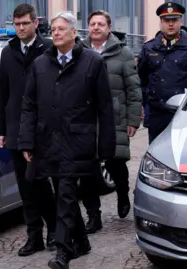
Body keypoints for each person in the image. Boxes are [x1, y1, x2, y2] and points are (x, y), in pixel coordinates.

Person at [18, 11, 116, 269]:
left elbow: (104, 107)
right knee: (62, 193)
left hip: (77, 142)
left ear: (74, 33)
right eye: (53, 28)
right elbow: (28, 105)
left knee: (66, 194)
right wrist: (26, 141)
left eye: (62, 28)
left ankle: (63, 250)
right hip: (46, 141)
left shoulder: (92, 62)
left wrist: (106, 147)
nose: (57, 33)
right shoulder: (40, 64)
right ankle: (81, 242)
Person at [0, 3, 57, 256]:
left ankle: (55, 229)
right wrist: (1, 129)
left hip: (43, 130)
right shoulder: (8, 52)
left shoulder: (49, 49)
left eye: (25, 23)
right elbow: (3, 93)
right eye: (16, 24)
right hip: (15, 130)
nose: (20, 28)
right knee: (25, 187)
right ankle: (34, 236)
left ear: (35, 23)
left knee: (41, 182)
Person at [80, 10, 142, 234]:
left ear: (108, 28)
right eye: (92, 24)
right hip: (86, 119)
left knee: (115, 163)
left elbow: (133, 89)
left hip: (114, 117)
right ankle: (93, 216)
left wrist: (133, 120)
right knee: (87, 169)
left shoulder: (122, 52)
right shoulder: (80, 51)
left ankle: (123, 193)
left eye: (100, 24)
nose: (95, 28)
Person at [138, 1, 187, 144]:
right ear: (160, 23)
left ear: (181, 21)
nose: (170, 24)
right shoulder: (149, 48)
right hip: (157, 113)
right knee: (157, 154)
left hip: (184, 115)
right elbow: (141, 80)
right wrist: (144, 103)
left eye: (174, 20)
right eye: (166, 20)